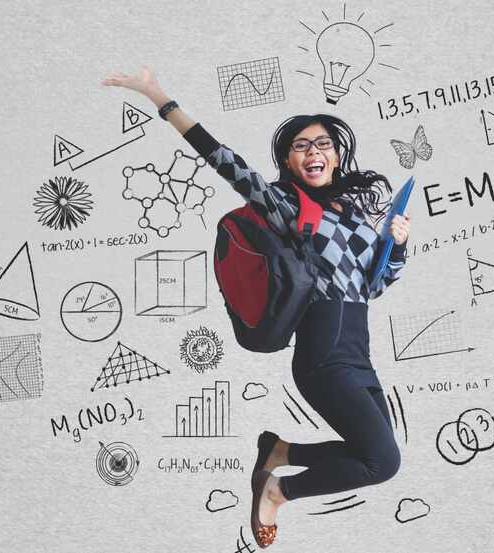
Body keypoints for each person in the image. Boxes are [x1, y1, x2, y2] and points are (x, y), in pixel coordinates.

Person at [104, 66, 410, 549]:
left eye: (323, 143)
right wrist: (160, 97)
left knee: (373, 452)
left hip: (359, 353)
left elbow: (372, 288)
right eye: (302, 145)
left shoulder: (354, 215)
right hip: (323, 357)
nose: (314, 151)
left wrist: (398, 247)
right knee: (382, 463)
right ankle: (276, 490)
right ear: (288, 161)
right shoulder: (286, 206)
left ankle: (279, 450)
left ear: (337, 154)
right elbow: (224, 161)